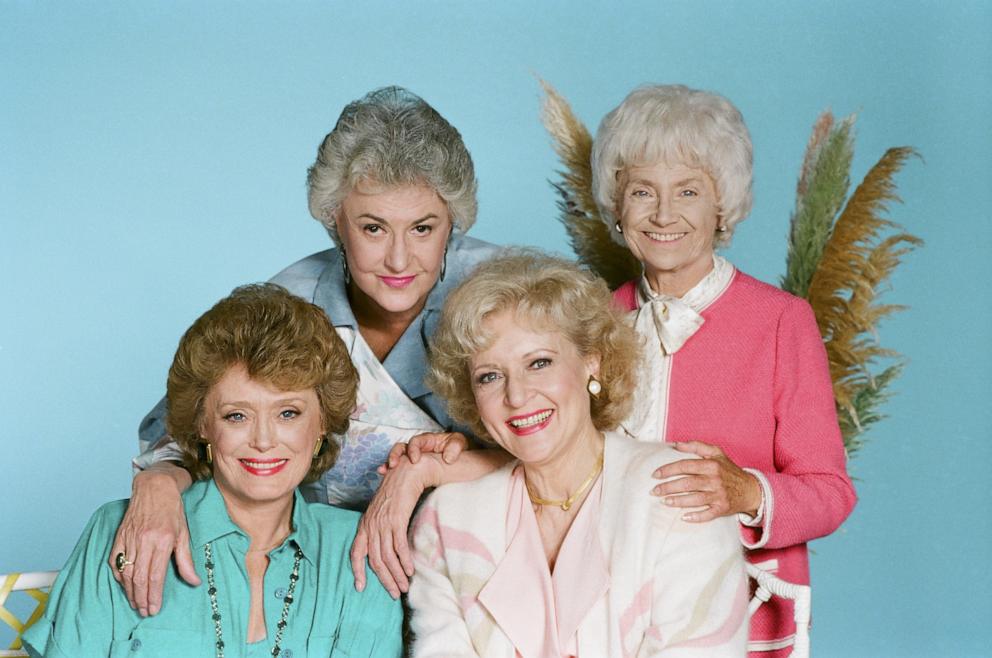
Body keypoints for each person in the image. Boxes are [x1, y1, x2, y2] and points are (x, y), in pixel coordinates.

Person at [113, 86, 507, 613]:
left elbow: (571, 453)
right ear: (334, 222)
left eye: (422, 228)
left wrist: (425, 471)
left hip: (485, 575)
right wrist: (158, 483)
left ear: (452, 223)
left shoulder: (505, 294)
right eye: (372, 228)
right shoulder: (289, 302)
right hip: (319, 584)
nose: (398, 258)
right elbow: (189, 430)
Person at [591, 84, 857, 656]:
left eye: (687, 190)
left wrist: (746, 492)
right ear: (617, 208)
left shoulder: (782, 321)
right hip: (605, 611)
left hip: (735, 610)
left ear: (722, 205)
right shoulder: (591, 323)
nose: (663, 214)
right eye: (642, 191)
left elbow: (832, 493)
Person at [23, 284, 402, 658]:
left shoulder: (361, 548)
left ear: (322, 422)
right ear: (203, 425)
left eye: (288, 413)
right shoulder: (120, 529)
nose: (264, 440)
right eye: (237, 415)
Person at [408, 253, 748, 657]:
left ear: (593, 364)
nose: (516, 396)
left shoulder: (678, 492)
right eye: (490, 376)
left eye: (539, 363)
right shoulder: (448, 521)